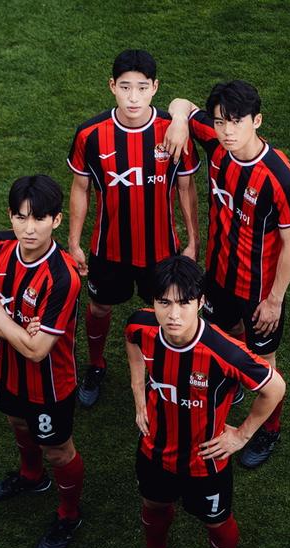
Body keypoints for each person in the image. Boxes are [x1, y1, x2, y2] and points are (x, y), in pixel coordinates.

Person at [113, 255, 285, 548]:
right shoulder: (142, 325)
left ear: (201, 302)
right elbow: (130, 339)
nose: (173, 314)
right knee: (153, 504)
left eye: (184, 303)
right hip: (154, 448)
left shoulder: (224, 351)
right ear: (153, 302)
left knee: (216, 522)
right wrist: (138, 391)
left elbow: (275, 387)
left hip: (206, 461)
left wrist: (241, 435)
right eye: (164, 303)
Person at [164, 80, 290, 467]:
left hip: (259, 293)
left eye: (237, 122)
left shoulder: (280, 177)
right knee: (222, 338)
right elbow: (180, 103)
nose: (227, 131)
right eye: (220, 121)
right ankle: (233, 385)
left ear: (257, 121)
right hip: (218, 278)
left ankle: (268, 430)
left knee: (265, 363)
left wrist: (274, 301)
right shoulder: (215, 142)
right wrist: (179, 121)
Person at [67, 49, 200, 408]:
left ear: (155, 87)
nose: (133, 97)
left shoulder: (173, 130)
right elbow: (80, 187)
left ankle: (162, 370)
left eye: (142, 88)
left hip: (162, 251)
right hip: (108, 249)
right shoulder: (91, 134)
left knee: (164, 312)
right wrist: (74, 242)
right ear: (112, 86)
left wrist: (193, 242)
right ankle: (96, 365)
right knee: (99, 308)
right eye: (125, 87)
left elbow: (186, 187)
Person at [0, 175, 84, 548]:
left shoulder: (63, 277)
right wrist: (18, 330)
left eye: (39, 218)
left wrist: (0, 314)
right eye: (21, 217)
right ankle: (31, 478)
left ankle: (69, 515)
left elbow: (37, 353)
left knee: (58, 451)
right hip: (9, 370)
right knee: (17, 423)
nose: (29, 228)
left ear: (56, 220)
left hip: (51, 383)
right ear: (10, 216)